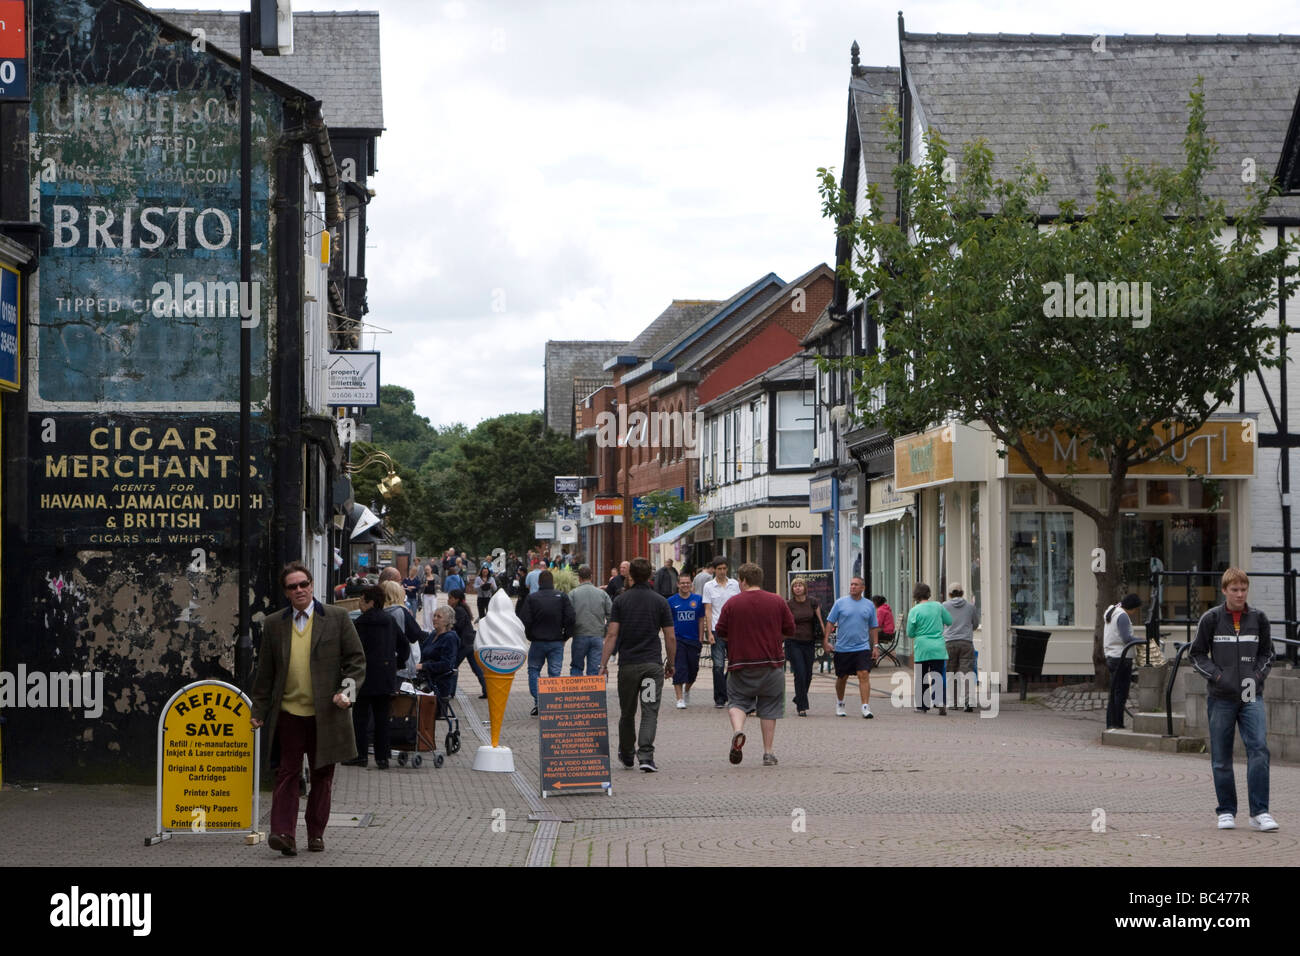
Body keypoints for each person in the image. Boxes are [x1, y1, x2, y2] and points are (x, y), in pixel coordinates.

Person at [250, 562, 365, 856]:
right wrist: (259, 710)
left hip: (326, 714)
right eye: (292, 586)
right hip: (289, 713)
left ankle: (316, 834)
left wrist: (346, 693)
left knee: (322, 777)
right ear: (286, 592)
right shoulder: (275, 623)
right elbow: (266, 672)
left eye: (303, 584)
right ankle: (284, 833)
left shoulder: (337, 618)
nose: (299, 590)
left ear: (312, 585)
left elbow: (356, 661)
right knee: (287, 773)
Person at [1189, 568, 1279, 831]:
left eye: (1243, 589)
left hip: (1251, 694)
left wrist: (1258, 676)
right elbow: (1196, 655)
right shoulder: (1212, 619)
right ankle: (1226, 811)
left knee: (1259, 749)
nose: (1240, 594)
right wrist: (1218, 677)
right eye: (1235, 590)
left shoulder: (1259, 619)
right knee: (1221, 756)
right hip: (1221, 697)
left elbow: (1268, 654)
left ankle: (1260, 812)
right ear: (1225, 591)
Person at [716, 563, 795, 767]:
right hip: (771, 664)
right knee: (769, 708)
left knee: (737, 702)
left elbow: (721, 632)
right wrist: (776, 640)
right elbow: (790, 628)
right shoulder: (777, 601)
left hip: (740, 664)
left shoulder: (732, 603)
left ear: (742, 580)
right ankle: (768, 753)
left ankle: (738, 730)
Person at [600, 558, 675, 772]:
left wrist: (603, 664)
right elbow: (670, 637)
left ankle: (626, 753)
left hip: (628, 667)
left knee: (627, 712)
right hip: (652, 665)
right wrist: (671, 663)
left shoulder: (621, 601)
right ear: (650, 576)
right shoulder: (660, 601)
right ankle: (646, 756)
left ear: (629, 575)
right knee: (649, 710)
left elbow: (612, 634)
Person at [344, 585, 407, 770]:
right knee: (382, 717)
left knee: (360, 717)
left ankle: (360, 755)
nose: (359, 604)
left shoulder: (359, 623)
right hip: (385, 675)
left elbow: (350, 649)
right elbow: (404, 645)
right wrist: (398, 664)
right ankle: (382, 757)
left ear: (370, 602)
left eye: (362, 600)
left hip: (363, 676)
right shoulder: (389, 621)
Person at [519, 570, 575, 715]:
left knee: (533, 670)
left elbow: (525, 620)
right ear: (553, 582)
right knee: (555, 673)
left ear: (538, 583)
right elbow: (570, 617)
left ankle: (538, 702)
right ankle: (552, 703)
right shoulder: (561, 597)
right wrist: (565, 636)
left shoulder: (532, 598)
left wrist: (530, 635)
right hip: (556, 641)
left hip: (537, 642)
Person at [824, 576, 880, 718]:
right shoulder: (840, 603)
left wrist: (875, 646)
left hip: (862, 647)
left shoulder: (869, 605)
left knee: (864, 674)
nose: (853, 587)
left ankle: (865, 707)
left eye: (856, 585)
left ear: (862, 588)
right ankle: (840, 703)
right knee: (842, 677)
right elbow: (830, 622)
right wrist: (826, 641)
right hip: (843, 647)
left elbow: (873, 626)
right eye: (851, 584)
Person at [907, 583, 952, 714]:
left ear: (916, 595)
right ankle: (939, 701)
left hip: (922, 647)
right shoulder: (938, 606)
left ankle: (922, 705)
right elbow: (949, 621)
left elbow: (910, 632)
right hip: (938, 646)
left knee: (922, 676)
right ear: (929, 593)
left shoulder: (914, 610)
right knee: (938, 675)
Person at [702, 556, 741, 708]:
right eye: (719, 569)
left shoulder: (735, 585)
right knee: (718, 665)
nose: (722, 571)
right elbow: (708, 610)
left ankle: (727, 691)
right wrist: (709, 632)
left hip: (734, 630)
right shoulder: (709, 586)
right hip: (717, 629)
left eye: (724, 569)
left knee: (733, 664)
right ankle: (719, 698)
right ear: (714, 570)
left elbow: (739, 606)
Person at [786, 576, 826, 717]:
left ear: (805, 588)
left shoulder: (813, 602)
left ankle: (799, 697)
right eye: (795, 585)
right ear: (792, 589)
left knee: (808, 674)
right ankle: (802, 707)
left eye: (800, 585)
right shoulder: (789, 604)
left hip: (809, 641)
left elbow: (820, 621)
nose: (797, 587)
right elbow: (784, 623)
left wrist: (824, 640)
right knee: (800, 673)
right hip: (793, 641)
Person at [1103, 593, 1142, 730]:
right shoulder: (1123, 616)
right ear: (1132, 607)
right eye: (1136, 609)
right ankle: (1117, 723)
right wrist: (1142, 640)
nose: (1135, 612)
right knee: (1121, 693)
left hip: (1111, 656)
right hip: (1122, 657)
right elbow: (1126, 638)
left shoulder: (1112, 610)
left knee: (1114, 691)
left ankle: (1111, 723)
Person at [942, 583, 981, 712]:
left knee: (950, 673)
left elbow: (941, 623)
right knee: (967, 673)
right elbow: (975, 624)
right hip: (966, 643)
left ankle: (952, 703)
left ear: (949, 594)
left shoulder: (944, 606)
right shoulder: (970, 607)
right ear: (962, 592)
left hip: (949, 643)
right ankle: (968, 702)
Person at [569, 565, 612, 676]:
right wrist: (606, 631)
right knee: (594, 669)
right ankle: (593, 692)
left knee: (576, 667)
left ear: (579, 578)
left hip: (579, 634)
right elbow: (611, 615)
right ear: (591, 577)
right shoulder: (602, 594)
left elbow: (568, 615)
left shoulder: (573, 594)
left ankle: (577, 692)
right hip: (597, 635)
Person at [668, 573, 703, 707]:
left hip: (694, 640)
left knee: (693, 670)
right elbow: (668, 623)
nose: (685, 585)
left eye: (687, 583)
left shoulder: (698, 600)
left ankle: (687, 690)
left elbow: (700, 620)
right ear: (678, 584)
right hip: (678, 640)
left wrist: (700, 637)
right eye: (682, 583)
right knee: (679, 668)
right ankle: (679, 699)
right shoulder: (671, 601)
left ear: (691, 584)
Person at [447, 588, 487, 698]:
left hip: (464, 643)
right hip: (470, 642)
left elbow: (457, 627)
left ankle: (451, 692)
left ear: (456, 599)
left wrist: (448, 628)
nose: (448, 600)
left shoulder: (459, 610)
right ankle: (487, 690)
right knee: (476, 668)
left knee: (453, 666)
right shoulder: (461, 608)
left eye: (450, 598)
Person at [871, 594, 896, 659]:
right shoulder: (884, 608)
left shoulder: (880, 610)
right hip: (890, 633)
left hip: (886, 634)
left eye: (872, 602)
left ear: (875, 602)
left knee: (868, 637)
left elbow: (877, 624)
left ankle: (872, 658)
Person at [420, 563, 439, 631]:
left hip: (433, 596)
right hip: (425, 595)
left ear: (431, 569)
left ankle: (433, 626)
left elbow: (439, 584)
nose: (427, 571)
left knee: (433, 611)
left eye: (428, 569)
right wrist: (424, 585)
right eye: (426, 570)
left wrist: (437, 586)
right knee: (426, 612)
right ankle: (426, 627)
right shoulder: (423, 577)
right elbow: (420, 585)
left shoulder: (435, 576)